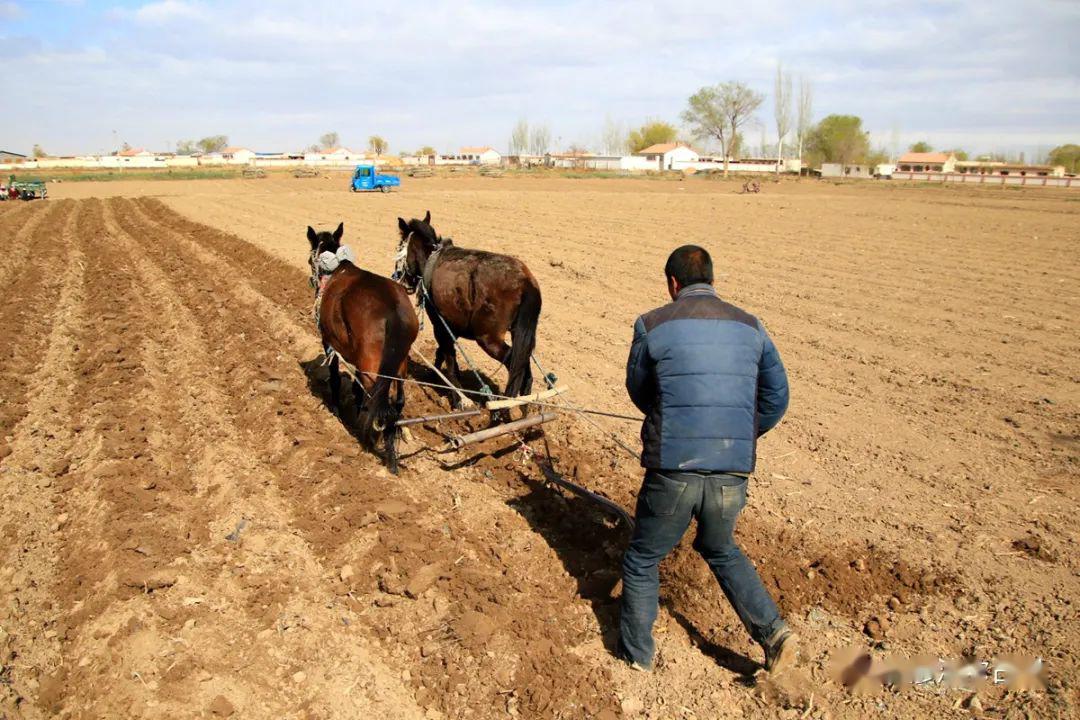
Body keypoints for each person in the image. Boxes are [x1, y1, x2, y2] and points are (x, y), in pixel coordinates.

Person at [620, 244, 796, 673]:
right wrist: (737, 433)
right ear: (712, 280)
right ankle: (774, 633)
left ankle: (636, 660)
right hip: (732, 471)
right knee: (720, 547)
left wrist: (674, 420)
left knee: (643, 558)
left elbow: (640, 390)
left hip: (673, 469)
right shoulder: (752, 326)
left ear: (673, 283)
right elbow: (777, 396)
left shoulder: (651, 324)